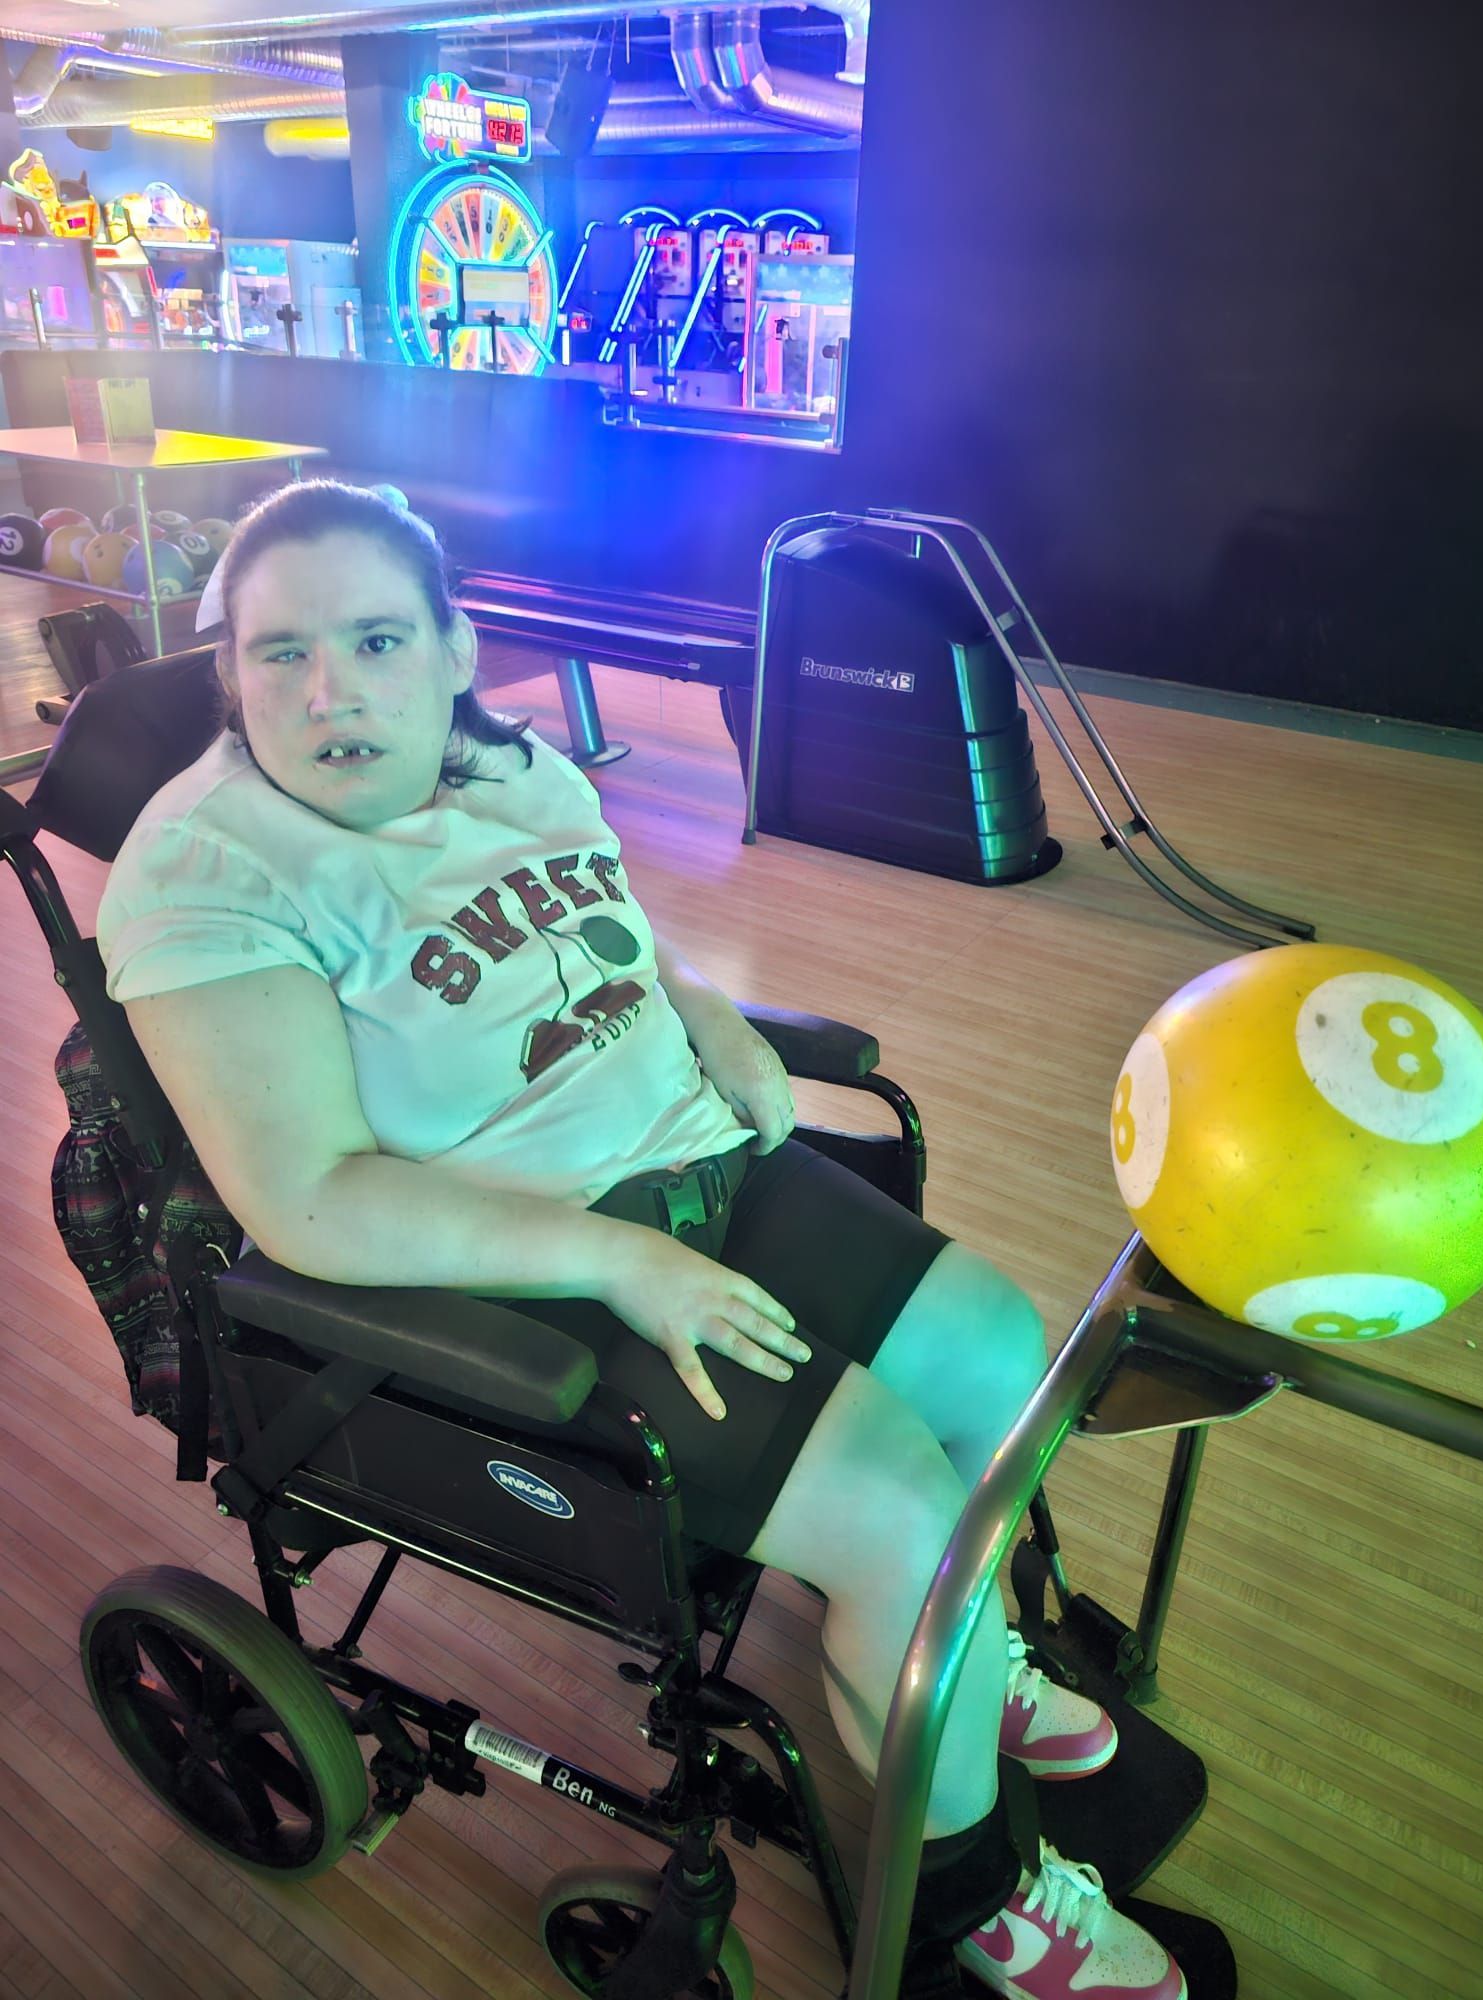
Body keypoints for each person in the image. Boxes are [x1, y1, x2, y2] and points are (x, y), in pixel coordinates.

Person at [97, 481, 1185, 2000]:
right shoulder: (214, 879)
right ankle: (972, 1899)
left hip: (693, 1161)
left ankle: (948, 1664)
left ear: (456, 648)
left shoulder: (507, 764)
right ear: (231, 675)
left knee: (1004, 1359)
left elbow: (607, 924)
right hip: (527, 1265)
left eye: (374, 638)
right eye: (279, 653)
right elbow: (310, 1200)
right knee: (906, 1525)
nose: (331, 689)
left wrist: (704, 1007)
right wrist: (617, 1261)